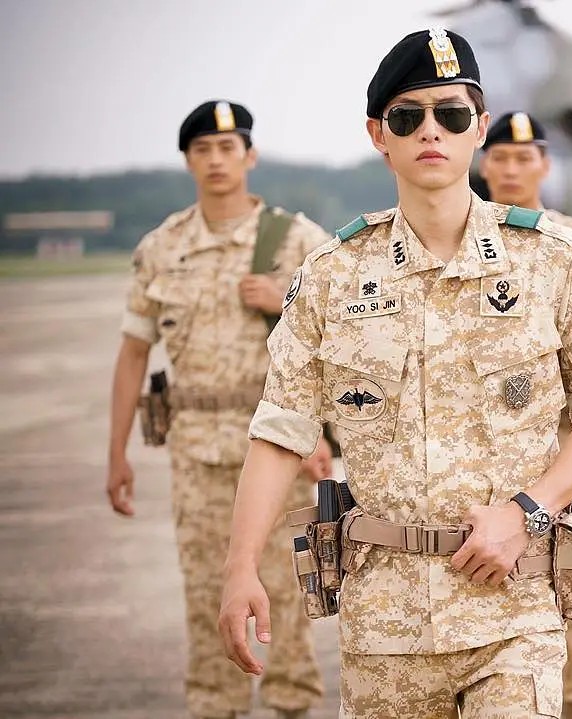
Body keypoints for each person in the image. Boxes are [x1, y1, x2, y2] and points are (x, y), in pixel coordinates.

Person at [217, 29, 572, 718]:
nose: (430, 131)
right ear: (378, 135)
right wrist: (239, 569)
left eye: (451, 113)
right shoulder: (331, 276)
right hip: (385, 626)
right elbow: (279, 434)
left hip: (516, 609)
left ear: (480, 127)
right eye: (407, 116)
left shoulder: (555, 258)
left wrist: (527, 511)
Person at [105, 100, 331, 719]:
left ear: (249, 156)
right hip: (197, 453)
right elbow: (133, 353)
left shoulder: (299, 242)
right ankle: (215, 706)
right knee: (208, 589)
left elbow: (338, 351)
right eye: (202, 150)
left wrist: (283, 301)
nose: (215, 161)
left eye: (228, 148)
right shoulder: (162, 248)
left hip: (282, 452)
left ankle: (291, 704)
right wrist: (116, 453)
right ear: (188, 161)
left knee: (287, 588)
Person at [480, 110, 572, 719]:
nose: (511, 169)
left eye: (524, 158)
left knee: (566, 574)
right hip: (490, 445)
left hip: (561, 448)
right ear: (484, 164)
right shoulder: (466, 235)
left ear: (545, 165)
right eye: (500, 157)